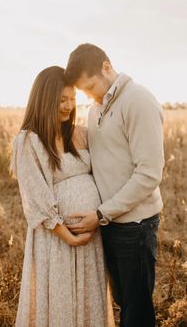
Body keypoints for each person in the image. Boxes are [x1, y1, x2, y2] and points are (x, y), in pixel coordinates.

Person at [64, 43, 165, 327]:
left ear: (106, 67)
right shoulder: (95, 109)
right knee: (124, 300)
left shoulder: (138, 101)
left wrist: (100, 214)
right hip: (108, 222)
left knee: (136, 308)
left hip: (134, 225)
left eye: (91, 85)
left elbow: (149, 174)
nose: (89, 94)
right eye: (83, 91)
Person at [11, 66, 115, 327]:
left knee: (90, 301)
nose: (69, 106)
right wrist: (68, 235)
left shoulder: (80, 133)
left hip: (91, 236)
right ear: (45, 99)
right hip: (57, 240)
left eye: (72, 99)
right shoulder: (29, 140)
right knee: (61, 303)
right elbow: (35, 196)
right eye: (62, 100)